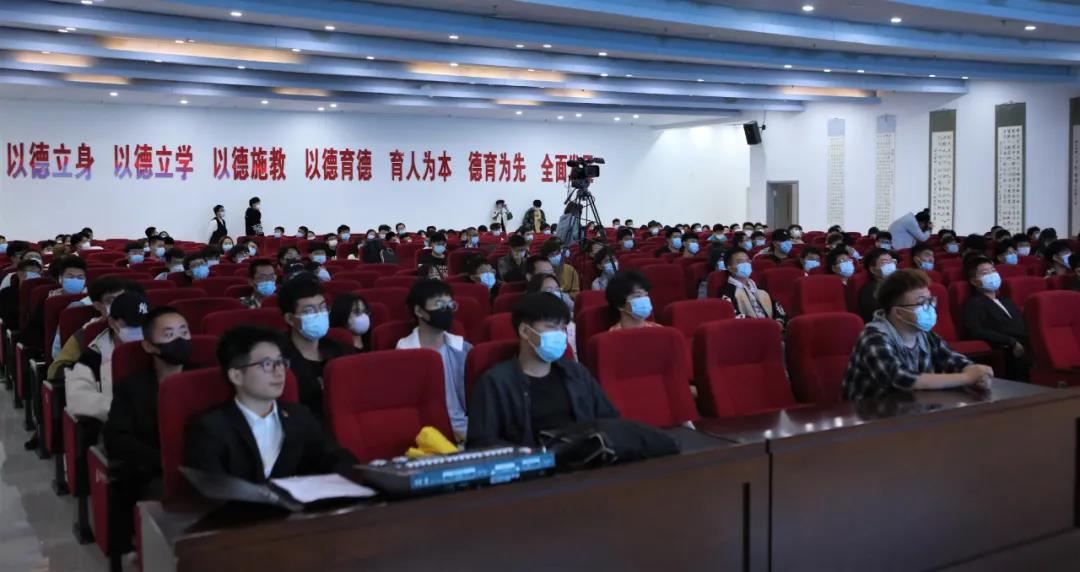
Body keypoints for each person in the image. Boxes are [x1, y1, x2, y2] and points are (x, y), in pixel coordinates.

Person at [183, 326, 357, 483]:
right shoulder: (210, 428)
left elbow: (337, 458)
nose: (279, 371)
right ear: (237, 376)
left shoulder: (300, 416)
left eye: (281, 362)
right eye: (267, 364)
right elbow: (212, 489)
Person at [467, 293, 618, 448]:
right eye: (552, 327)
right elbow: (482, 443)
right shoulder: (495, 383)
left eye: (563, 329)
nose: (560, 335)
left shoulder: (576, 373)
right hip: (531, 461)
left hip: (586, 456)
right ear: (525, 331)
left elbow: (610, 419)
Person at [103, 307, 192, 555]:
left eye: (184, 332)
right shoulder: (132, 388)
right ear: (149, 345)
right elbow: (117, 439)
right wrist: (164, 461)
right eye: (169, 335)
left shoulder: (205, 378)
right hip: (153, 472)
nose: (180, 341)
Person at [842, 269, 992, 400]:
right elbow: (903, 379)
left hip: (912, 410)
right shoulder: (873, 337)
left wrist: (975, 372)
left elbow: (953, 360)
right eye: (922, 303)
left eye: (930, 301)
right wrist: (967, 377)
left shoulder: (926, 335)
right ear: (899, 312)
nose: (930, 308)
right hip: (870, 416)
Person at [396, 280, 471, 441]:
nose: (446, 310)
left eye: (450, 304)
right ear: (419, 311)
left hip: (467, 428)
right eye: (439, 304)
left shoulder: (464, 349)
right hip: (427, 435)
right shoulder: (404, 353)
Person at [64, 291, 150, 422]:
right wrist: (126, 412)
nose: (139, 330)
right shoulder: (93, 356)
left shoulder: (158, 348)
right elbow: (78, 398)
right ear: (112, 322)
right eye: (131, 324)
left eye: (144, 324)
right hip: (113, 424)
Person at [278, 277, 354, 420]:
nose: (319, 314)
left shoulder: (342, 351)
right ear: (290, 319)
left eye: (323, 308)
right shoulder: (279, 359)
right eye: (309, 311)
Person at [961, 256, 1030, 381]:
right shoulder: (974, 303)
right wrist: (1010, 341)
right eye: (985, 273)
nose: (991, 275)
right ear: (974, 281)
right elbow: (975, 331)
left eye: (993, 270)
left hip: (1025, 344)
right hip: (1005, 348)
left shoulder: (1007, 300)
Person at [717, 247, 787, 327]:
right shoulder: (727, 292)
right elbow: (733, 315)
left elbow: (777, 306)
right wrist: (762, 326)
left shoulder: (759, 288)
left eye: (747, 261)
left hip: (773, 328)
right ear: (729, 268)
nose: (746, 264)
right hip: (749, 330)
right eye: (740, 262)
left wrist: (779, 322)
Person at [525, 274, 577, 357]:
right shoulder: (532, 325)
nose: (555, 294)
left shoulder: (570, 324)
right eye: (549, 290)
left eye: (557, 290)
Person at [857, 248, 897, 322]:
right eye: (885, 262)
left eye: (891, 261)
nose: (891, 265)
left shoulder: (898, 283)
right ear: (873, 270)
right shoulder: (869, 291)